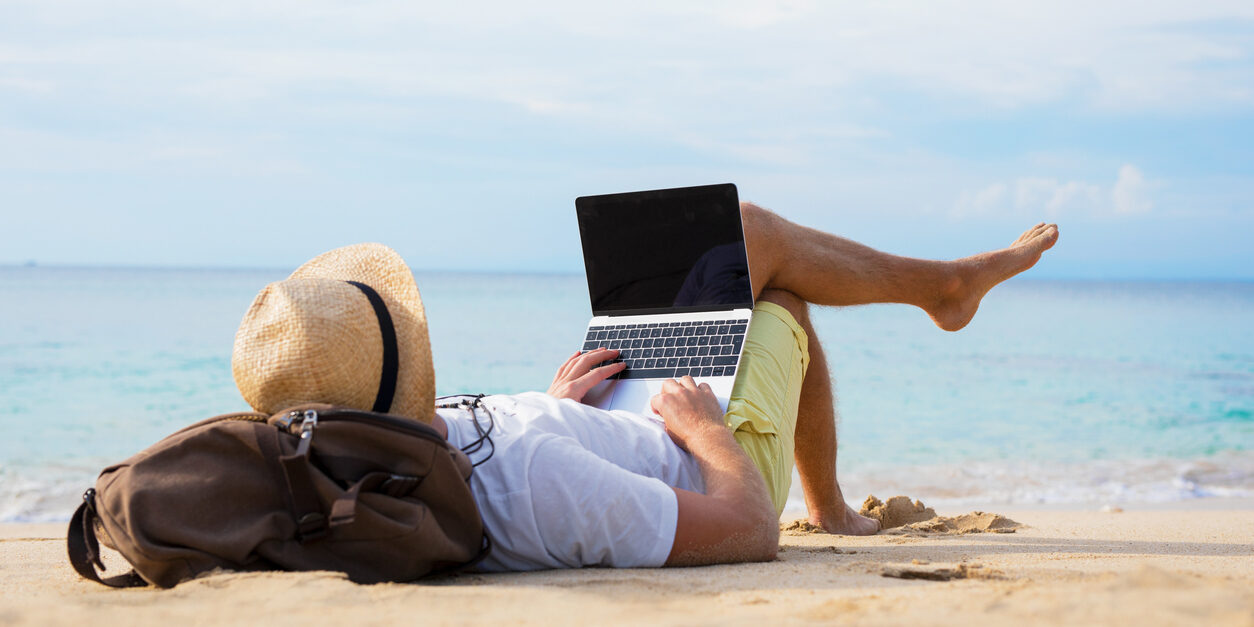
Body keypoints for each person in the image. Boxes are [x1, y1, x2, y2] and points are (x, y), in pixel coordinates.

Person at [230, 202, 1059, 570]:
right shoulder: (538, 484)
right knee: (775, 286)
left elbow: (500, 450)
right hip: (703, 455)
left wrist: (551, 404)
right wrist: (704, 434)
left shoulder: (388, 453)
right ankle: (941, 294)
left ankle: (941, 292)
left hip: (606, 413)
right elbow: (742, 533)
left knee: (743, 251)